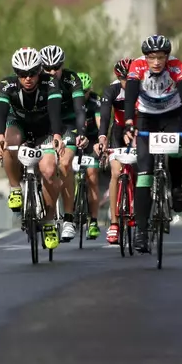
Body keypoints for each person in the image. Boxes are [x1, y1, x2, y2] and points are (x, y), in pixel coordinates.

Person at [123, 35, 182, 253]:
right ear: (145, 57)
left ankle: (176, 187)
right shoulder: (137, 66)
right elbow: (130, 97)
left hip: (171, 115)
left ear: (167, 56)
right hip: (146, 117)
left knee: (176, 149)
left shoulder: (176, 67)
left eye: (161, 57)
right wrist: (129, 122)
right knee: (144, 173)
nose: (156, 62)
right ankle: (141, 231)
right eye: (152, 57)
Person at [0, 47, 64, 249]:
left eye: (33, 73)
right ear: (16, 73)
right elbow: (0, 114)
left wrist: (57, 135)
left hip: (45, 129)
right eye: (22, 74)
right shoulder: (7, 86)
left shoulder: (50, 83)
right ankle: (15, 188)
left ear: (40, 70)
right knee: (9, 142)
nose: (28, 78)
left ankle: (49, 221)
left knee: (49, 171)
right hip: (20, 126)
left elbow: (55, 113)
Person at [39, 45, 87, 243]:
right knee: (48, 169)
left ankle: (68, 218)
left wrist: (82, 133)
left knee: (65, 164)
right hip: (46, 126)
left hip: (67, 126)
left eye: (56, 67)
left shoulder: (71, 79)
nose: (52, 72)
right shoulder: (37, 81)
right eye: (47, 68)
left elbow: (79, 110)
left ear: (62, 66)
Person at [95, 58, 133, 244]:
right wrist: (102, 137)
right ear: (118, 78)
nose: (128, 83)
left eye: (131, 78)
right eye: (123, 79)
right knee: (116, 172)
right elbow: (104, 116)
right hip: (118, 131)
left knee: (142, 168)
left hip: (137, 128)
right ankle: (114, 223)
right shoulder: (112, 90)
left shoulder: (142, 88)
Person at [76, 72, 102, 239]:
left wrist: (100, 142)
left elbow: (100, 124)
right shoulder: (68, 100)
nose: (82, 96)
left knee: (92, 176)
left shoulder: (95, 101)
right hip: (74, 137)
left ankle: (93, 221)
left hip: (91, 139)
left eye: (85, 92)